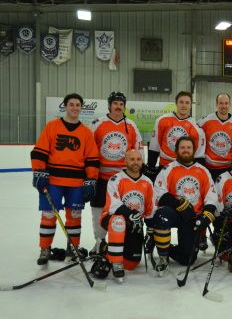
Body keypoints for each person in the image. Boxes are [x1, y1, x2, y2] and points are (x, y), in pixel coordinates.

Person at [31, 93, 99, 266]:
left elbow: (91, 159)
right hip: (53, 181)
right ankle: (45, 249)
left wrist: (90, 179)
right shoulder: (52, 126)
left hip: (76, 184)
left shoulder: (85, 132)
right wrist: (39, 172)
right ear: (65, 106)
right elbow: (39, 152)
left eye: (78, 105)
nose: (75, 107)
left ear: (81, 108)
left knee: (74, 217)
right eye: (71, 104)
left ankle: (73, 249)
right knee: (48, 216)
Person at [151, 136, 218, 275]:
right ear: (176, 150)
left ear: (194, 150)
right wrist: (178, 205)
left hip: (192, 217)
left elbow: (211, 197)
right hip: (175, 212)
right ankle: (163, 256)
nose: (186, 150)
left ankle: (160, 243)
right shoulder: (168, 169)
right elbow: (158, 192)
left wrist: (206, 216)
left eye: (189, 148)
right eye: (182, 148)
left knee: (187, 259)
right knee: (161, 216)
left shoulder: (203, 170)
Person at [89, 91, 144, 257]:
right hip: (101, 177)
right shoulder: (97, 123)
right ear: (109, 105)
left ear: (124, 107)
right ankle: (99, 241)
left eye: (121, 104)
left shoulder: (131, 126)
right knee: (98, 211)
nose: (118, 107)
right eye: (115, 103)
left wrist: (139, 170)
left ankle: (122, 239)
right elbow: (90, 149)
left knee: (123, 210)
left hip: (123, 178)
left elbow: (138, 148)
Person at [92, 149, 155, 281]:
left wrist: (150, 230)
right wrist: (129, 213)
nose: (135, 162)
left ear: (142, 161)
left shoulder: (147, 182)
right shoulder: (116, 179)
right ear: (125, 161)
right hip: (110, 218)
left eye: (138, 159)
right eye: (132, 159)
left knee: (132, 263)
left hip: (134, 223)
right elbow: (113, 205)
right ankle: (115, 262)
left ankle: (107, 252)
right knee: (119, 221)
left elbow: (150, 207)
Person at [147, 91, 205, 172]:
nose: (184, 105)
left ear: (191, 105)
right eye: (181, 102)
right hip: (165, 166)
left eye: (187, 103)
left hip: (185, 167)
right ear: (176, 103)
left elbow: (198, 155)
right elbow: (155, 145)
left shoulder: (196, 127)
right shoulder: (162, 120)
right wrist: (151, 165)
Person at [197, 93, 232, 182]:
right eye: (221, 103)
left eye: (226, 103)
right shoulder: (206, 121)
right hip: (209, 167)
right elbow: (194, 134)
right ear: (216, 104)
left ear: (230, 105)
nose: (224, 106)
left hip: (228, 168)